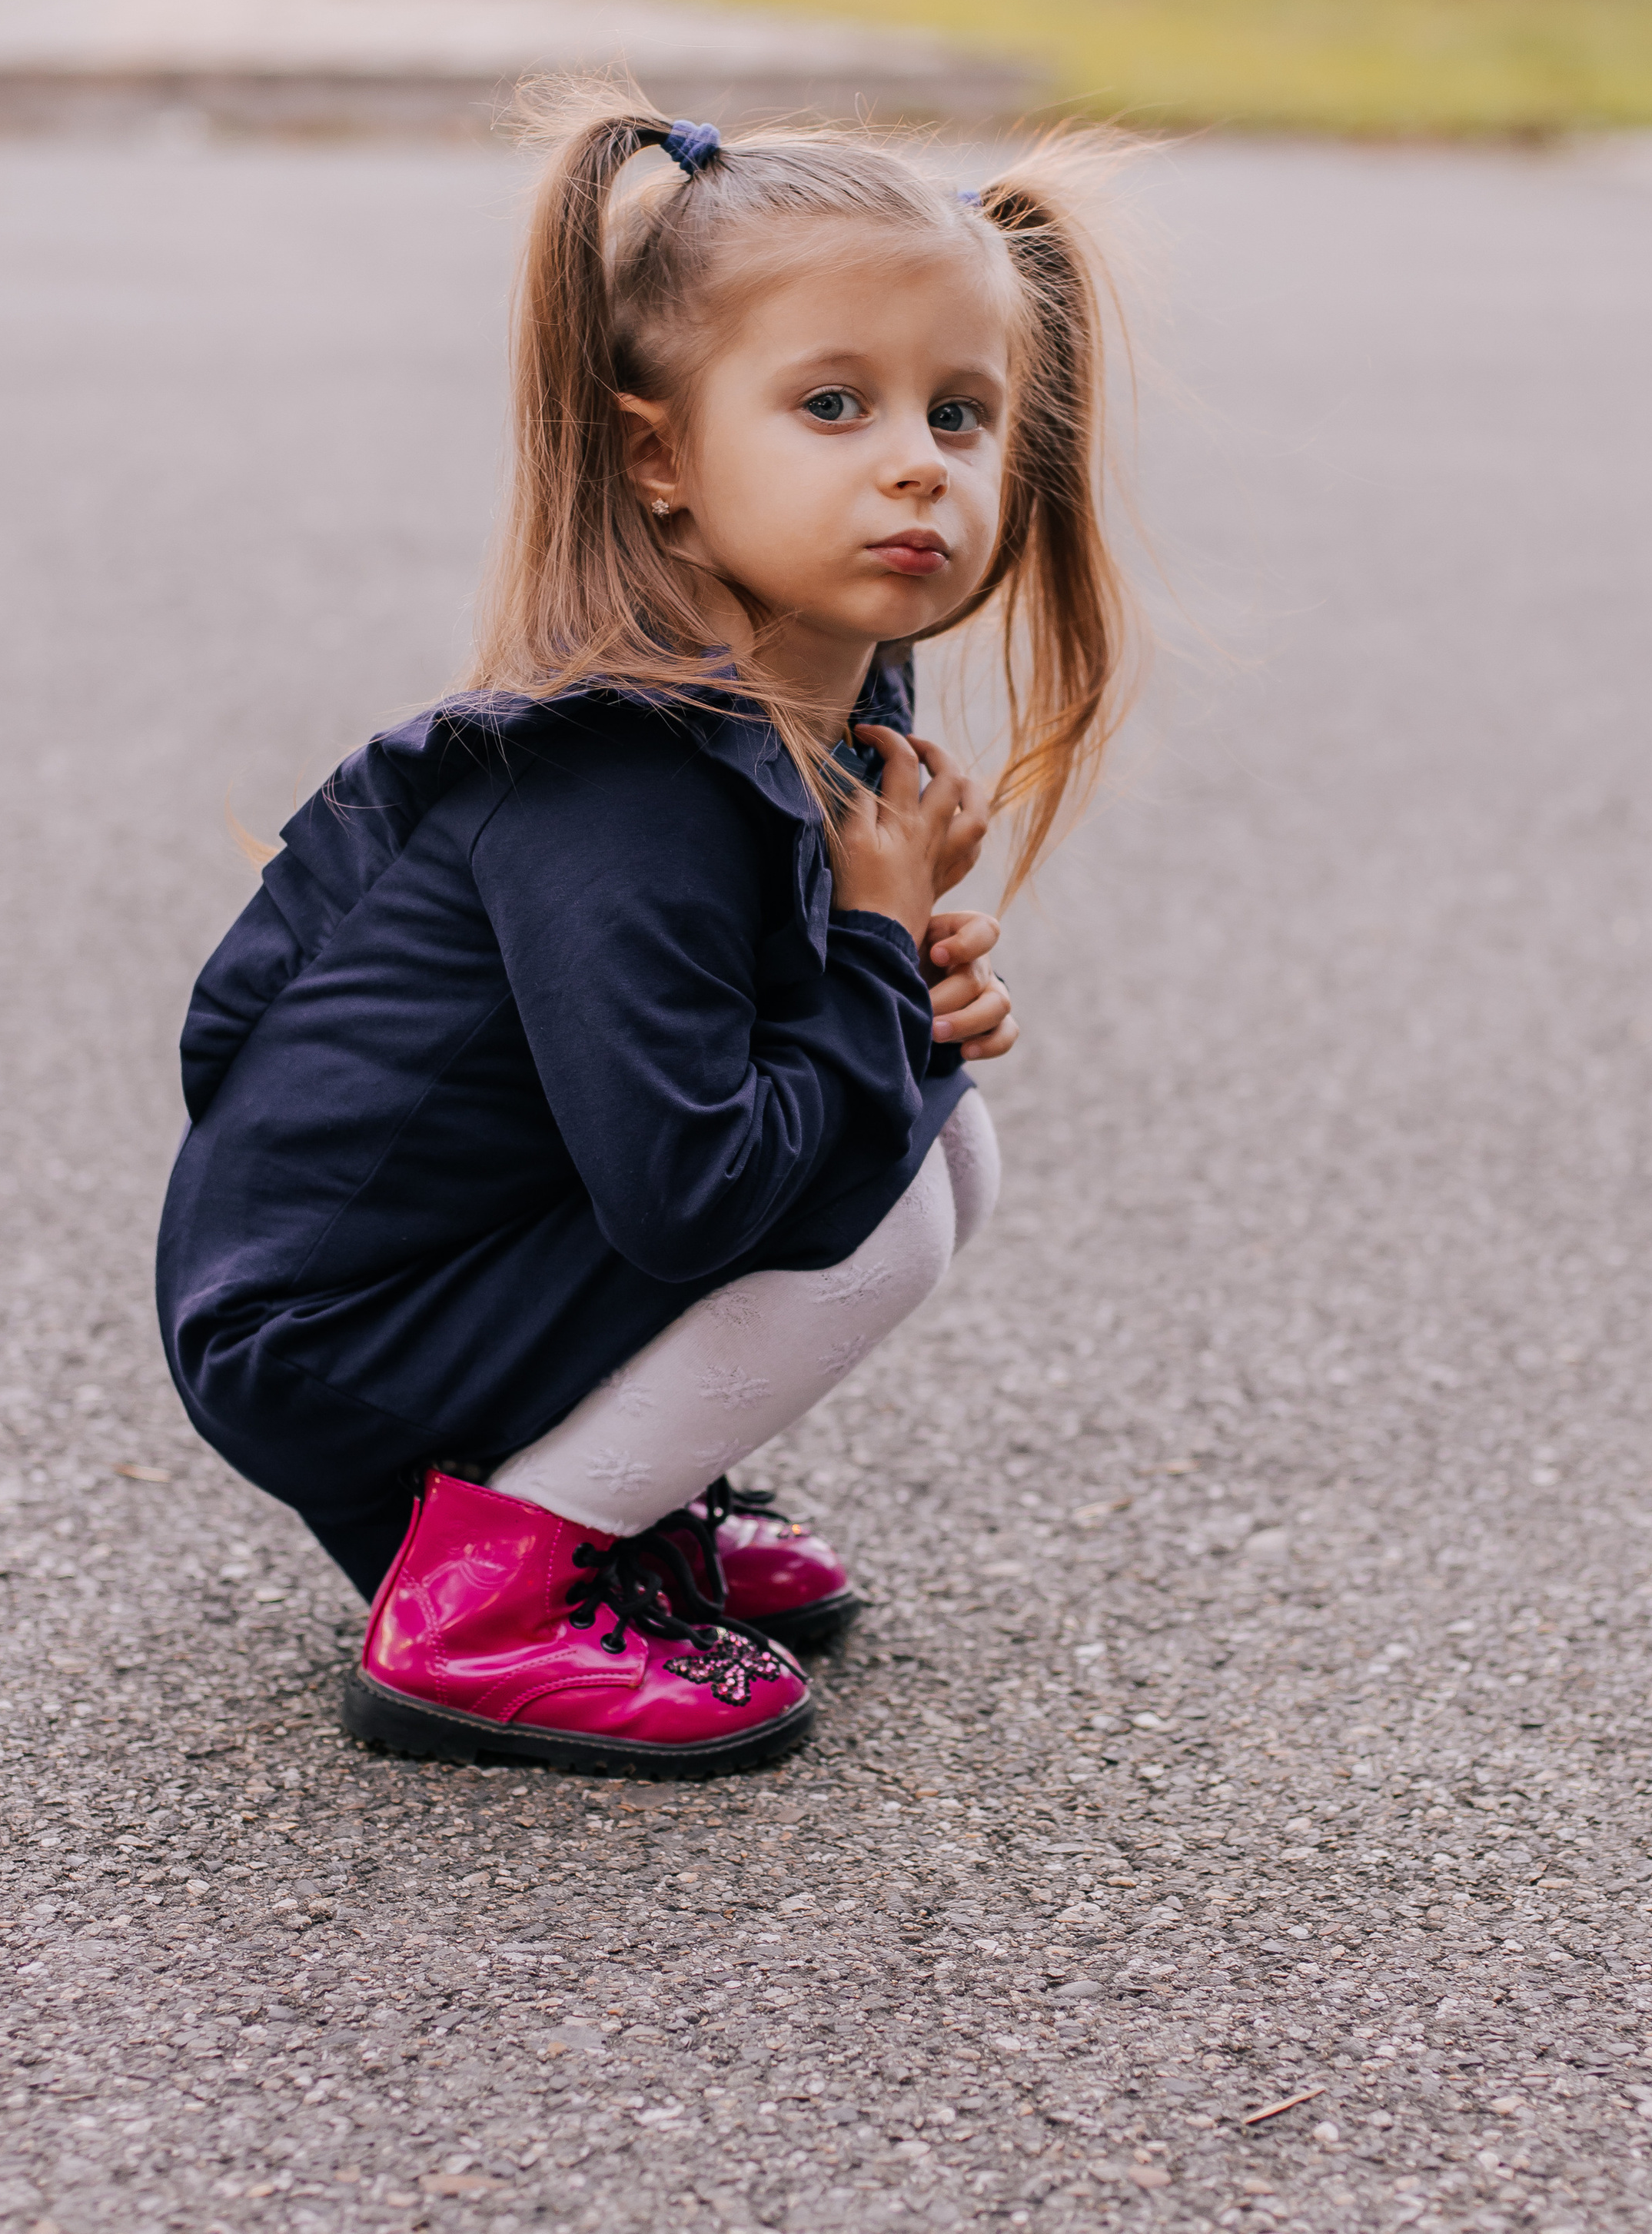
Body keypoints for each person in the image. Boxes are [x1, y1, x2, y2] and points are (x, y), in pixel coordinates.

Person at [155, 98, 1131, 1779]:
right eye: (833, 404)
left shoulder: (818, 704)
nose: (919, 459)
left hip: (433, 1277)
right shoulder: (623, 782)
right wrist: (875, 955)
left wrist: (884, 982)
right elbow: (694, 1189)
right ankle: (485, 1595)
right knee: (885, 1202)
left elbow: (734, 1079)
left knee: (940, 1139)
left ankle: (611, 1505)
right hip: (326, 1338)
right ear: (656, 458)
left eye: (961, 413)